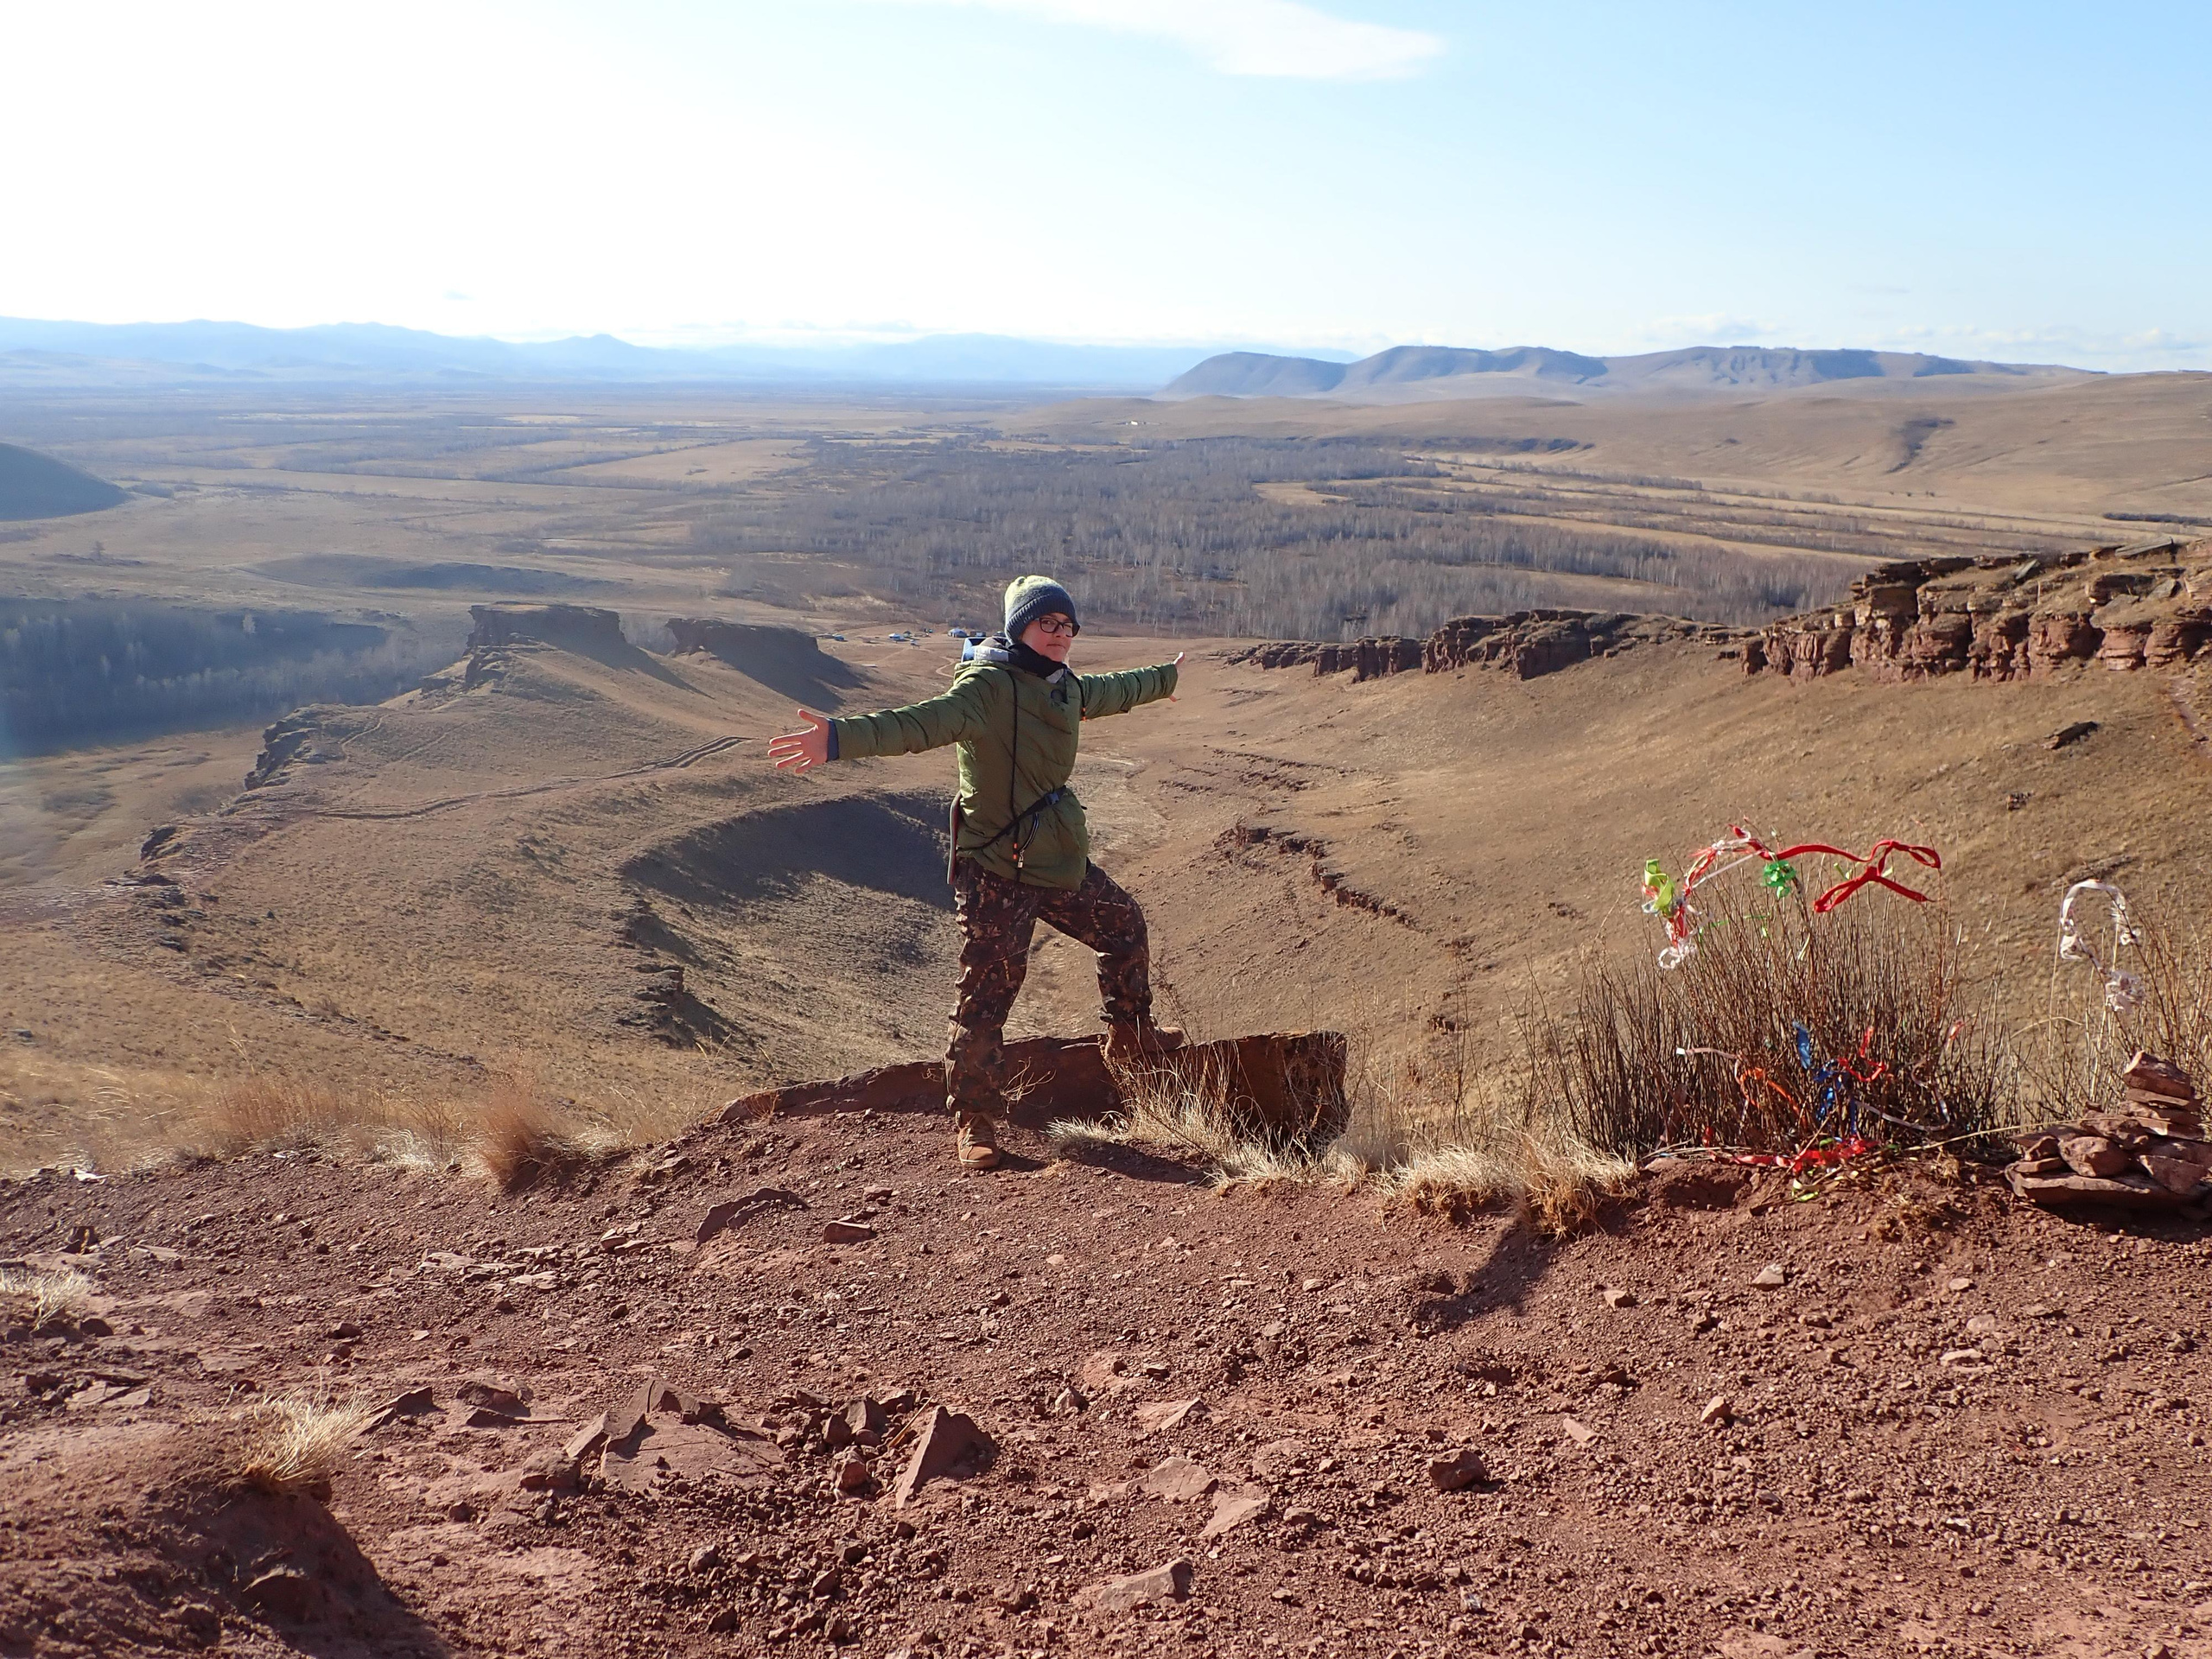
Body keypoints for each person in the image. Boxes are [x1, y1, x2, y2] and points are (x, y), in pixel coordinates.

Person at [767, 575, 1184, 1170]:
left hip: (1051, 857)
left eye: (1068, 626)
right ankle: (975, 1121)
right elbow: (918, 724)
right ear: (1020, 628)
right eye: (1048, 624)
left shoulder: (1062, 687)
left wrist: (1165, 679)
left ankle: (1129, 1038)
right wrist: (837, 739)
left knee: (1122, 925)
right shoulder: (987, 688)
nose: (1060, 636)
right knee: (988, 997)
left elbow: (1113, 690)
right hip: (994, 870)